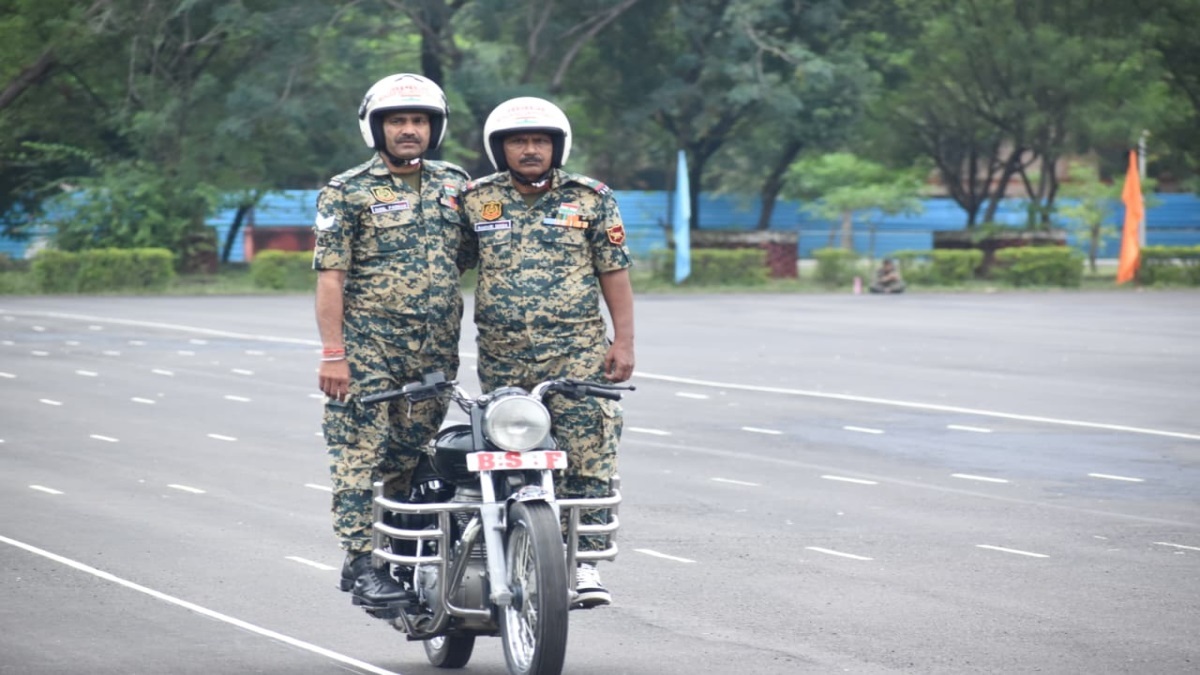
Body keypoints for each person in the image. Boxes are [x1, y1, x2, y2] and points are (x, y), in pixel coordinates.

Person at [459, 97, 635, 609]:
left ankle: (582, 565)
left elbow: (614, 273)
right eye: (518, 140)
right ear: (500, 148)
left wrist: (623, 341)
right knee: (511, 460)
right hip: (502, 357)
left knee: (589, 453)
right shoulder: (474, 200)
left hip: (579, 353)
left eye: (539, 140)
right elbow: (446, 268)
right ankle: (516, 551)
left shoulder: (590, 198)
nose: (530, 149)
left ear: (557, 146)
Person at [311, 73, 471, 610]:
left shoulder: (455, 184)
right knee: (358, 451)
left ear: (434, 127)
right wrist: (335, 353)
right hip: (367, 350)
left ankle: (400, 558)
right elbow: (330, 275)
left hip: (433, 352)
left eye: (418, 121)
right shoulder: (347, 189)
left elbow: (469, 257)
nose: (409, 130)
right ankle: (359, 562)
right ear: (376, 128)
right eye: (398, 121)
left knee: (411, 458)